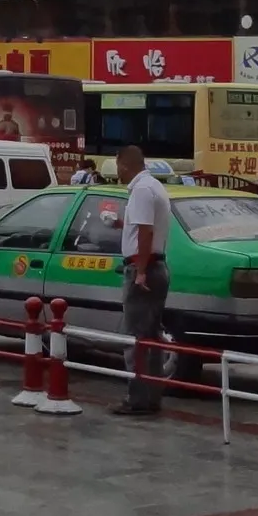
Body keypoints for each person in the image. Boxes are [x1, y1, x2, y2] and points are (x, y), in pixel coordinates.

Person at [112, 144, 172, 418]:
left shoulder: (141, 190)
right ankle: (151, 397)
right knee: (152, 337)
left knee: (136, 337)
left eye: (118, 167)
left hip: (144, 265)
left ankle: (137, 399)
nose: (118, 173)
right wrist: (121, 226)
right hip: (157, 263)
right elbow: (143, 228)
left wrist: (141, 270)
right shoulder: (155, 187)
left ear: (124, 164)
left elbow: (146, 233)